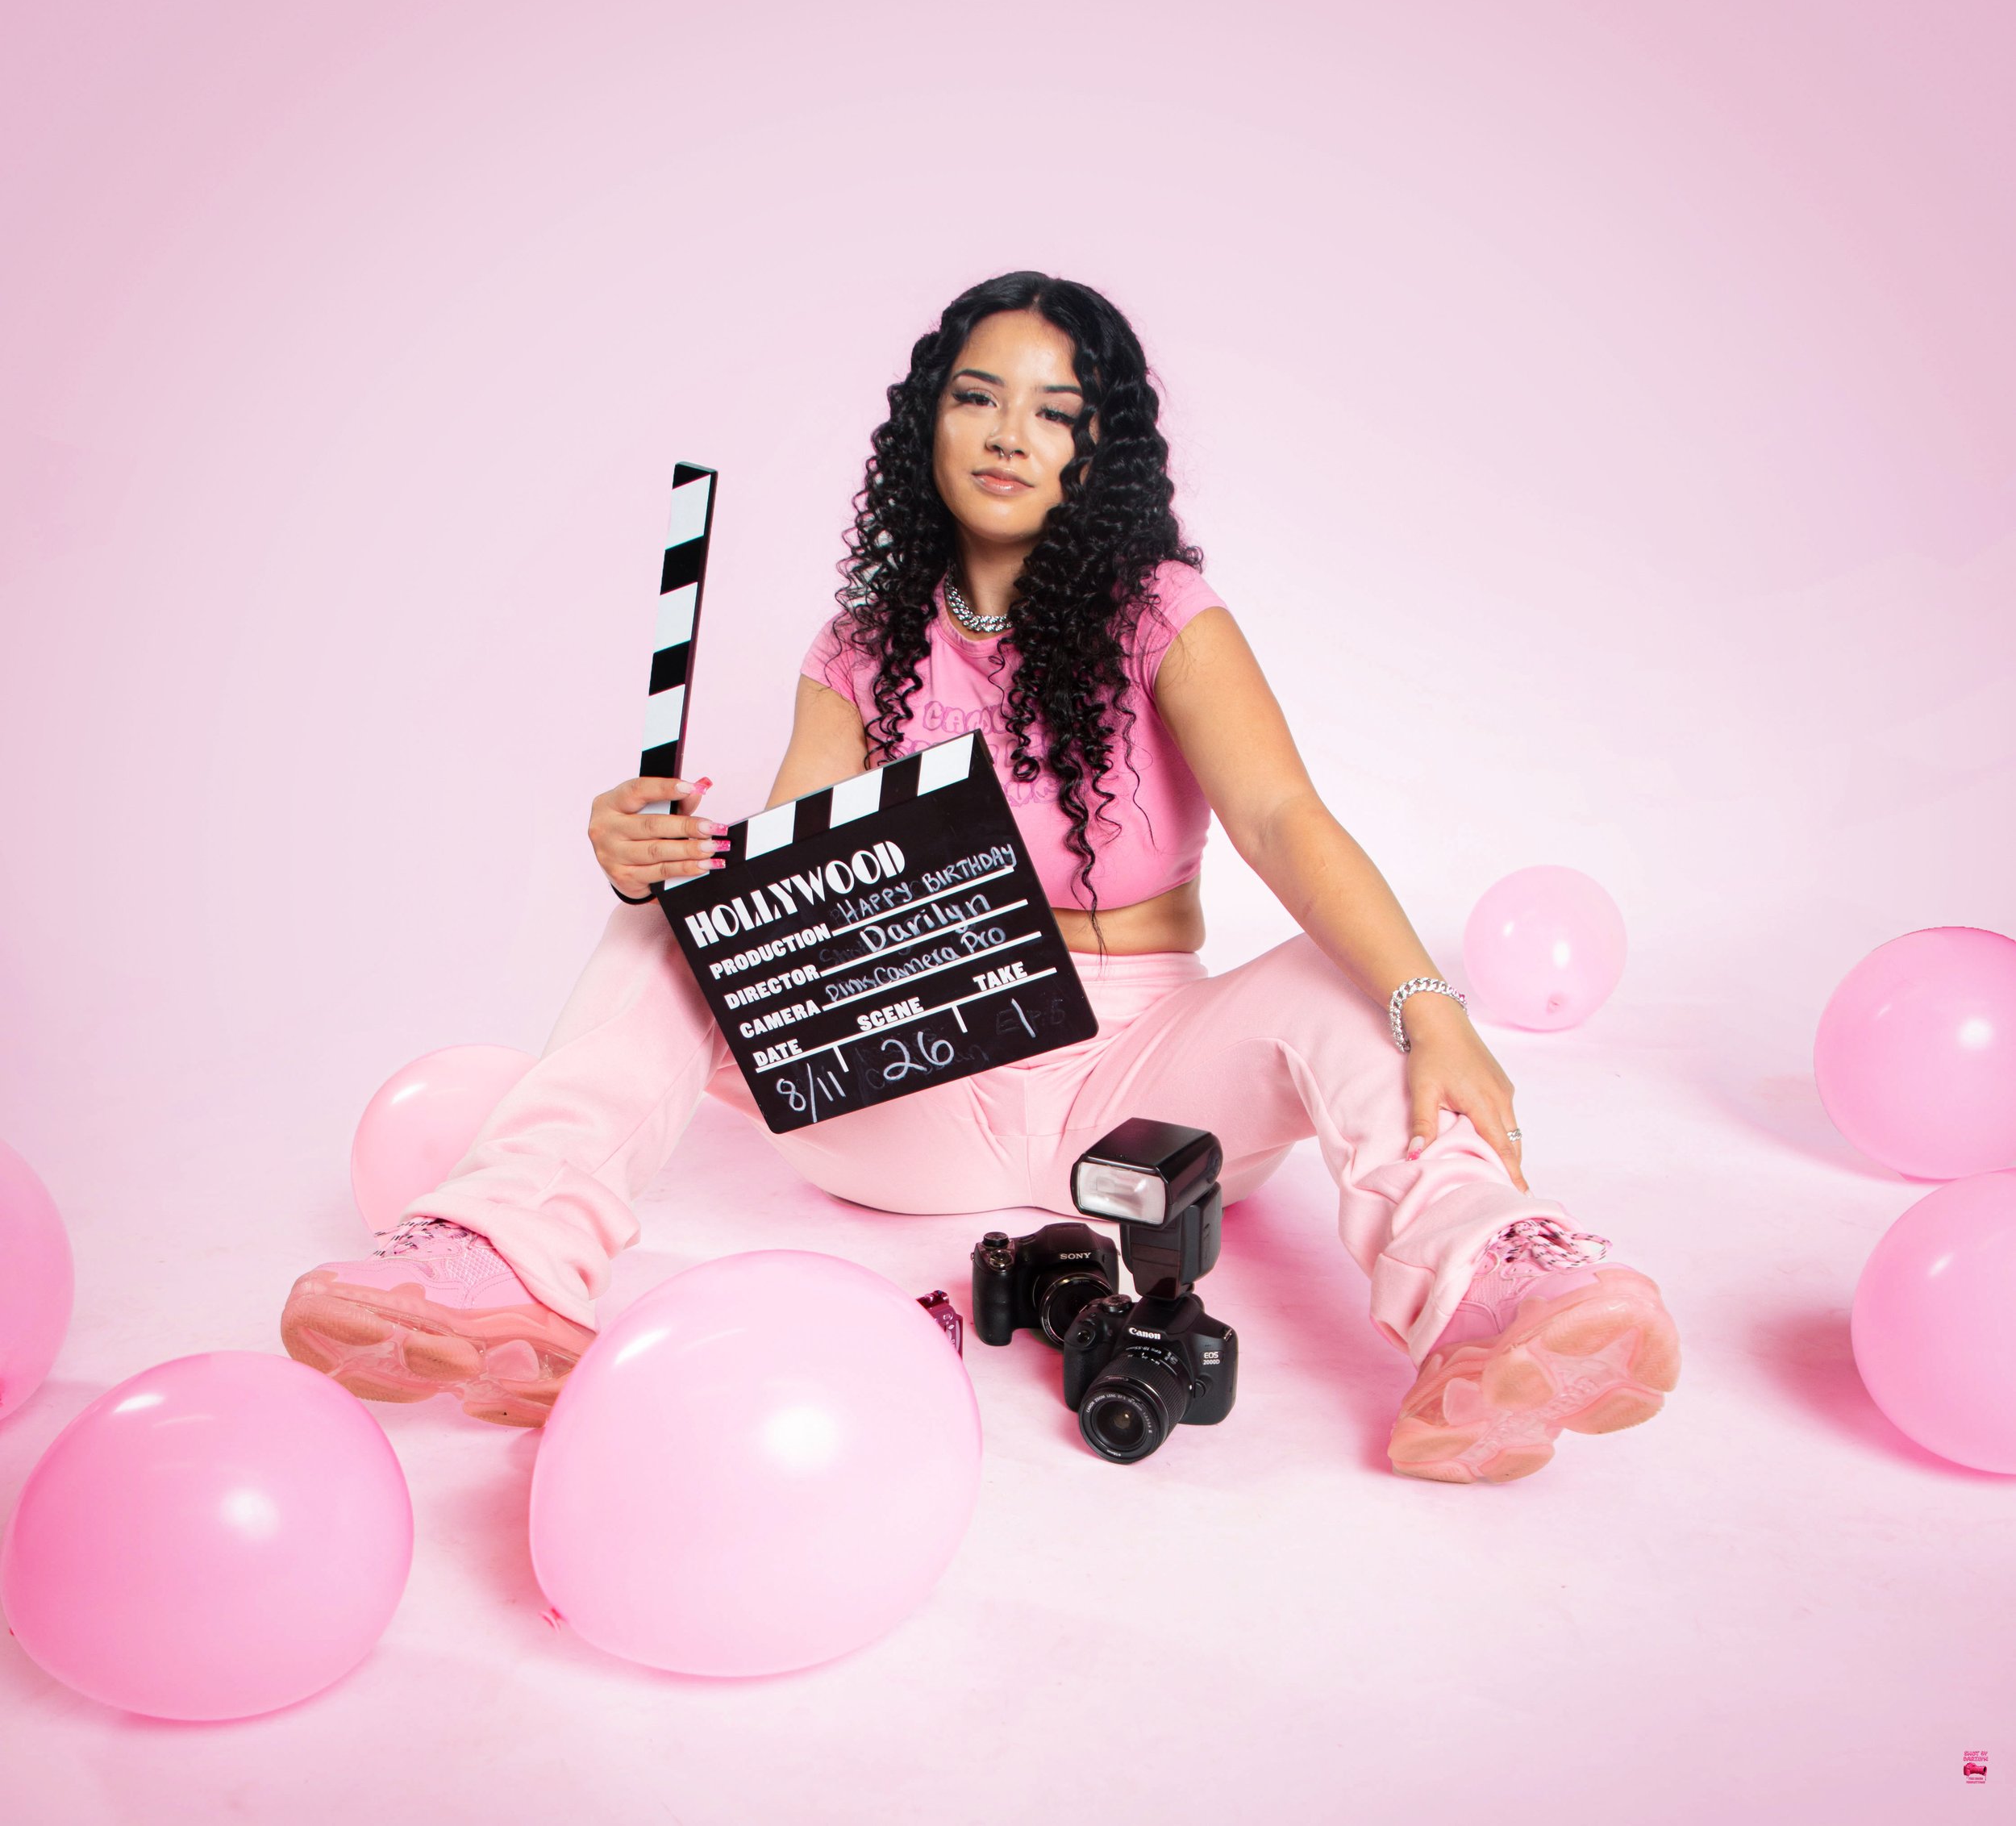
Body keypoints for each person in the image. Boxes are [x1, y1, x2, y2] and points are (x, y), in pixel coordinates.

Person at [279, 271, 1679, 1484]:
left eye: (1055, 412)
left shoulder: (1161, 614)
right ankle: (499, 1259)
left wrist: (1433, 1007)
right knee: (664, 935)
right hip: (916, 1076)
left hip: (1142, 1092)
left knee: (1341, 978)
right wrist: (660, 863)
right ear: (927, 424)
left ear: (1098, 452)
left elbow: (1280, 816)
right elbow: (794, 879)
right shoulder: (860, 643)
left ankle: (1491, 1291)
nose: (1010, 433)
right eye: (977, 397)